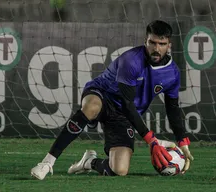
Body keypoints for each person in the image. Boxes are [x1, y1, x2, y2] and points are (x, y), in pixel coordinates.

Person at [31, 20, 194, 180]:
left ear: (169, 45)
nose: (156, 48)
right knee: (91, 106)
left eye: (162, 44)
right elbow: (127, 103)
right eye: (152, 43)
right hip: (103, 94)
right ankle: (47, 163)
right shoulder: (131, 61)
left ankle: (89, 162)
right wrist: (151, 140)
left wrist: (182, 141)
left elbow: (172, 108)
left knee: (120, 169)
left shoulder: (172, 73)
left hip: (123, 115)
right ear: (146, 41)